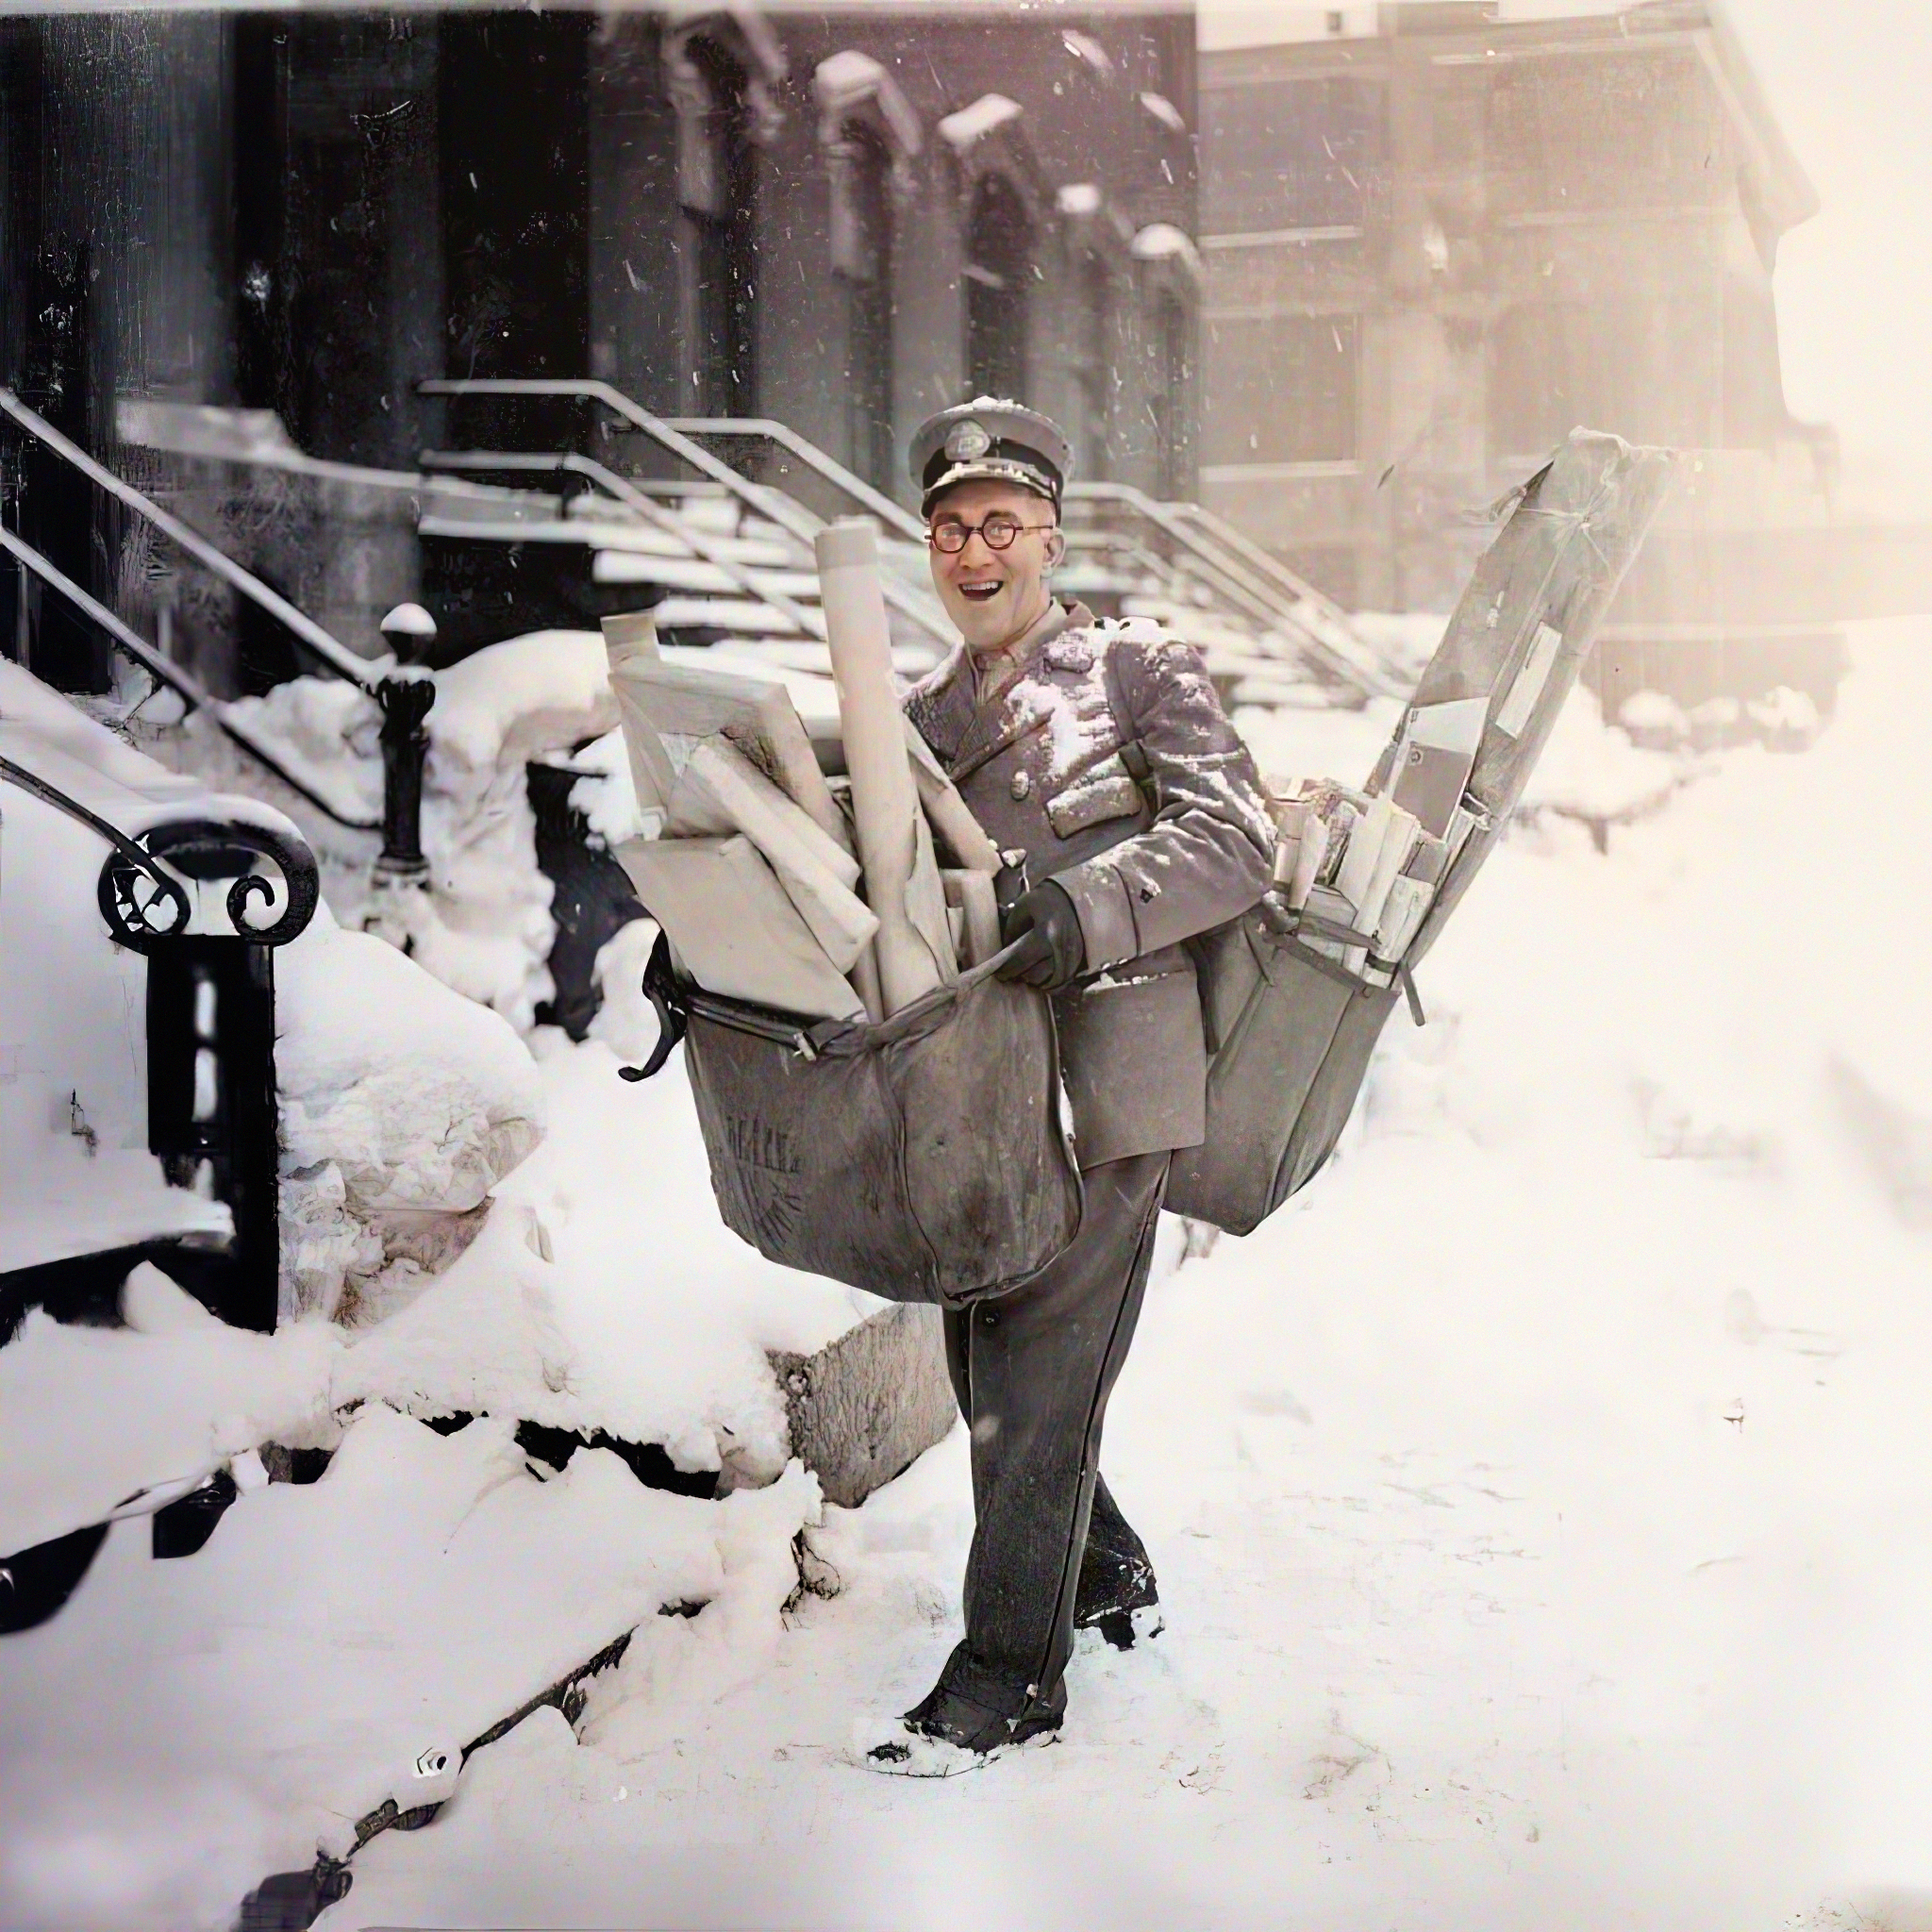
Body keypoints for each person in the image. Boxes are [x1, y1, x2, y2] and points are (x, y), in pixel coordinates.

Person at [864, 400, 1274, 1772]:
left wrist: (1088, 910)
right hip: (979, 1100)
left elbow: (1236, 838)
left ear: (1050, 533)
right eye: (947, 527)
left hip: (1114, 1082)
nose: (973, 550)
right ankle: (1103, 1574)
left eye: (999, 523)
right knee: (988, 1361)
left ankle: (1006, 1681)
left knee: (1038, 1380)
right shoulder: (914, 721)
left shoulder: (1136, 668)